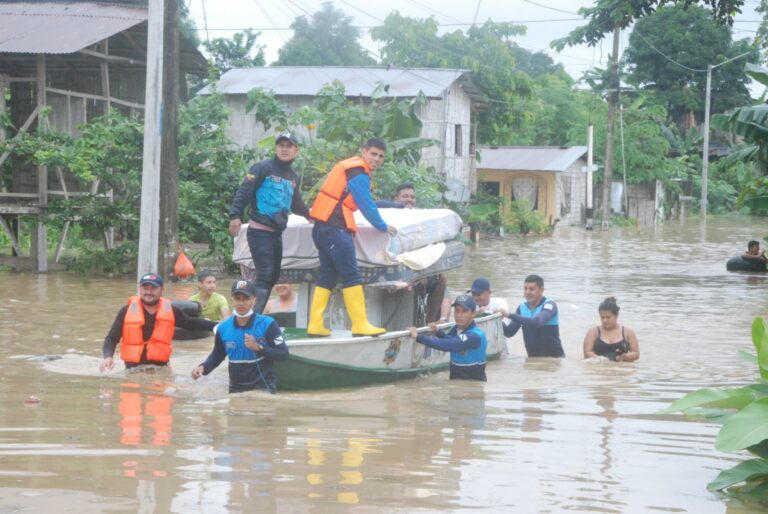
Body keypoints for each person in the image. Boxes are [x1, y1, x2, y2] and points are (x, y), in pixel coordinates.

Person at [307, 137, 397, 337]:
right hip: (336, 228)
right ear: (363, 152)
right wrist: (382, 226)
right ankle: (360, 323)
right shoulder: (359, 172)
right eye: (373, 154)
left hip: (323, 227)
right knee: (351, 274)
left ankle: (315, 324)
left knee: (328, 276)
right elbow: (366, 205)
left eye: (381, 156)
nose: (377, 159)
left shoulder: (351, 169)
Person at [228, 131, 312, 313]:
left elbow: (296, 204)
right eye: (281, 145)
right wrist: (235, 215)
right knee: (265, 275)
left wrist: (310, 216)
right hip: (259, 231)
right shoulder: (262, 168)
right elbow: (244, 191)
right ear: (276, 148)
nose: (284, 149)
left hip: (276, 234)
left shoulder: (292, 177)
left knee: (273, 277)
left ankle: (251, 316)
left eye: (288, 146)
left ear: (295, 150)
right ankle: (250, 319)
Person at [100, 273, 218, 372]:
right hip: (133, 371)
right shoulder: (126, 311)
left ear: (162, 290)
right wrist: (108, 357)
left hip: (160, 370)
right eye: (145, 288)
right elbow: (111, 338)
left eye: (153, 288)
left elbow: (192, 323)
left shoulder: (171, 311)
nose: (149, 292)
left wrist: (217, 326)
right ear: (140, 289)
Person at [191, 280, 289, 393]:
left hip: (263, 387)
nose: (241, 303)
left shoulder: (268, 324)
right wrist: (203, 367)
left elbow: (283, 354)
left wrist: (259, 348)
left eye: (246, 298)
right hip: (235, 388)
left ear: (254, 300)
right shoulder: (223, 328)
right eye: (237, 298)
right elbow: (218, 354)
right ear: (232, 300)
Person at [408, 294, 488, 381]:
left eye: (464, 311)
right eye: (457, 311)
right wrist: (437, 332)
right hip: (457, 384)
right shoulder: (456, 329)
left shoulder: (474, 336)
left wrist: (417, 337)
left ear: (473, 314)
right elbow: (451, 340)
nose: (459, 315)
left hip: (472, 388)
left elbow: (448, 345)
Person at [501, 274, 565, 358]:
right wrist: (495, 318)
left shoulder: (549, 305)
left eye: (532, 289)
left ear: (541, 290)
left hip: (554, 361)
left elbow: (537, 322)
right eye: (525, 289)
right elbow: (509, 332)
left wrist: (508, 315)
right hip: (533, 361)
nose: (527, 292)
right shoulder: (522, 307)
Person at [583, 297, 639, 362]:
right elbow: (587, 353)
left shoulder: (628, 332)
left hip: (621, 369)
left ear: (617, 315)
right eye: (602, 317)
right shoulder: (593, 332)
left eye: (608, 317)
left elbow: (636, 354)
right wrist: (602, 360)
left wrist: (624, 357)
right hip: (599, 369)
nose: (605, 320)